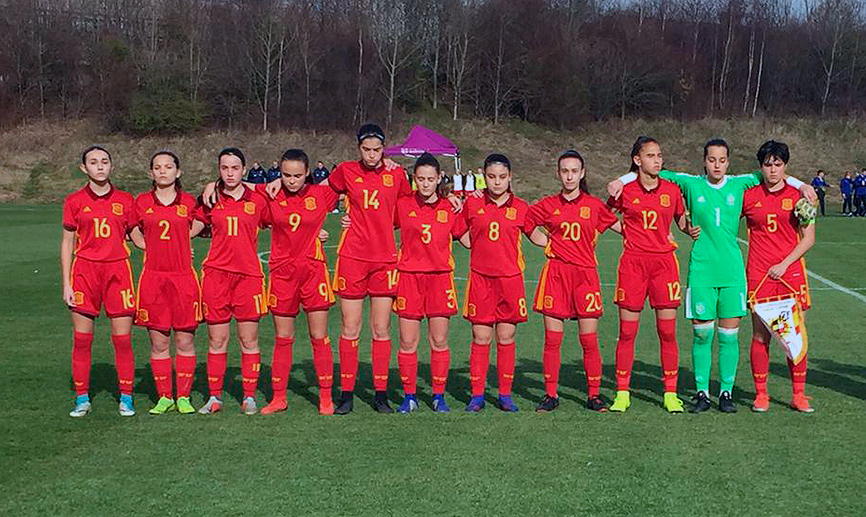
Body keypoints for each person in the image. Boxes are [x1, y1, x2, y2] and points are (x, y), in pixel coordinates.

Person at [608, 139, 815, 413]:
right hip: (702, 271)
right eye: (712, 159)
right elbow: (650, 172)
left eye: (722, 160)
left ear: (728, 162)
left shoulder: (741, 183)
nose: (717, 165)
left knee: (729, 336)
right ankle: (703, 393)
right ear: (704, 161)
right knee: (702, 335)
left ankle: (726, 393)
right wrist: (621, 180)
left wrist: (801, 185)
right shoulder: (690, 183)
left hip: (732, 273)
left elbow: (775, 171)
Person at [525, 150, 620, 413]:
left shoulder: (593, 205)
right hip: (556, 274)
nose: (569, 176)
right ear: (559, 173)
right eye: (564, 171)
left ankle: (593, 395)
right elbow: (526, 222)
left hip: (585, 276)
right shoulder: (547, 204)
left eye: (574, 171)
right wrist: (545, 243)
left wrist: (653, 230)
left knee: (588, 339)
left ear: (582, 173)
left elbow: (620, 225)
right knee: (553, 339)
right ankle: (550, 394)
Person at [606, 137, 692, 414]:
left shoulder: (672, 189)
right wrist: (628, 233)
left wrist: (689, 227)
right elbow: (604, 215)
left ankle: (670, 393)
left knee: (667, 332)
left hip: (664, 265)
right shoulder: (625, 190)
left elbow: (681, 219)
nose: (658, 160)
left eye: (659, 155)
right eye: (651, 155)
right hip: (633, 265)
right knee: (627, 332)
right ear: (637, 160)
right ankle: (622, 392)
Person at [460, 153, 546, 412]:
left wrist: (562, 244)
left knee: (506, 338)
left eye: (502, 177)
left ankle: (505, 395)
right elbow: (458, 231)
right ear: (484, 177)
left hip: (510, 280)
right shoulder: (473, 204)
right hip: (481, 279)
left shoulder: (520, 207)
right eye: (491, 177)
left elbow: (536, 236)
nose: (496, 182)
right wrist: (476, 250)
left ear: (510, 178)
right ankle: (477, 395)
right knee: (481, 336)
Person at [258, 149, 338, 416]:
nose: (291, 181)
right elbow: (236, 188)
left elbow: (353, 180)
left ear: (308, 174)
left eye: (297, 175)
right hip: (282, 273)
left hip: (313, 271)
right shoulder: (270, 195)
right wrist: (213, 183)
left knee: (319, 336)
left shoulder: (321, 194)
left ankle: (325, 397)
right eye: (286, 175)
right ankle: (279, 398)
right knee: (283, 338)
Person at [61, 146, 137, 417]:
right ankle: (82, 398)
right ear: (84, 168)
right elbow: (67, 242)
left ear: (111, 166)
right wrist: (66, 284)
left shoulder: (127, 200)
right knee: (82, 339)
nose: (100, 166)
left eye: (104, 161)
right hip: (85, 273)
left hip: (118, 273)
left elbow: (138, 236)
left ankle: (126, 397)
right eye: (93, 162)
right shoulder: (74, 201)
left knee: (123, 339)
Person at [742, 140, 816, 413]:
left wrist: (785, 264)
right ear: (760, 166)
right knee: (761, 337)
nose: (773, 170)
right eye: (767, 164)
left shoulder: (800, 197)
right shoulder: (748, 195)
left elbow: (809, 238)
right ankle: (761, 394)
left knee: (794, 334)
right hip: (759, 274)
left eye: (778, 164)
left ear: (785, 166)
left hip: (790, 274)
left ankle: (799, 394)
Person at [129, 151, 205, 415]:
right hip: (153, 277)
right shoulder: (141, 202)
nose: (163, 171)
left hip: (183, 277)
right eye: (158, 168)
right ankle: (164, 396)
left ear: (178, 172)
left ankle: (183, 396)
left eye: (168, 167)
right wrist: (144, 246)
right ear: (151, 173)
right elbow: (132, 229)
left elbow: (200, 223)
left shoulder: (188, 202)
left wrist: (183, 241)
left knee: (185, 341)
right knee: (159, 342)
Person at [195, 148, 269, 415]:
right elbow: (189, 227)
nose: (229, 173)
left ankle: (249, 397)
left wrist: (316, 233)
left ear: (244, 169)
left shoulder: (258, 199)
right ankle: (214, 397)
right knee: (217, 340)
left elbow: (283, 220)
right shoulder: (210, 199)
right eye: (224, 168)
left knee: (248, 339)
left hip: (248, 277)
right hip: (216, 275)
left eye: (235, 168)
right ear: (219, 170)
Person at [393, 154, 464, 413]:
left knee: (439, 340)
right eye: (420, 179)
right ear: (414, 179)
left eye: (430, 179)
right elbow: (376, 220)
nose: (425, 184)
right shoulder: (401, 205)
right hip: (409, 277)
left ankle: (438, 396)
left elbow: (468, 238)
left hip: (439, 278)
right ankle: (409, 396)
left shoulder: (450, 208)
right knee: (408, 342)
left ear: (438, 179)